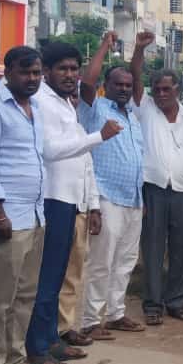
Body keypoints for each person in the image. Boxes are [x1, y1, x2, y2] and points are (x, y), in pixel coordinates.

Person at [25, 41, 121, 364]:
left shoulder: (66, 103)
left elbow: (82, 159)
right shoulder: (42, 102)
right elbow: (51, 150)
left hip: (70, 200)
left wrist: (90, 203)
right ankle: (38, 348)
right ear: (46, 71)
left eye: (74, 69)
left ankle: (51, 338)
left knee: (58, 277)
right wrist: (99, 137)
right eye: (62, 69)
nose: (70, 75)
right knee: (46, 279)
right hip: (52, 198)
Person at [0, 45, 55, 364]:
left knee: (25, 296)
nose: (33, 78)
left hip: (36, 215)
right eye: (26, 72)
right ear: (7, 73)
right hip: (11, 219)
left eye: (37, 72)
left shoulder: (35, 108)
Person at [78, 32, 148, 337]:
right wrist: (105, 45)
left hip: (133, 198)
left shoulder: (133, 115)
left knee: (126, 261)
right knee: (101, 261)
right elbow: (86, 83)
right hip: (106, 195)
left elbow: (138, 77)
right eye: (118, 84)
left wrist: (139, 51)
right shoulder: (95, 109)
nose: (124, 89)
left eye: (128, 85)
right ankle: (91, 320)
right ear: (106, 85)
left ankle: (116, 313)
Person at [136, 54, 183, 325]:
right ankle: (153, 305)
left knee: (181, 248)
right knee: (153, 249)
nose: (161, 94)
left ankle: (177, 301)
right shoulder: (146, 109)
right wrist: (139, 50)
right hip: (153, 189)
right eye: (157, 89)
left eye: (167, 89)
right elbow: (135, 75)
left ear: (177, 89)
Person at [59, 144, 102, 347]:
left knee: (73, 275)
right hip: (58, 208)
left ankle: (64, 328)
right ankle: (48, 332)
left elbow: (89, 173)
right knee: (52, 275)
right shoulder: (51, 126)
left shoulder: (79, 132)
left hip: (81, 210)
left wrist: (95, 208)